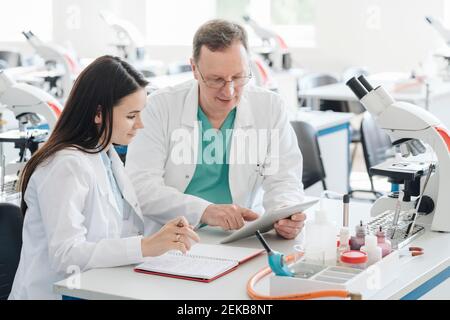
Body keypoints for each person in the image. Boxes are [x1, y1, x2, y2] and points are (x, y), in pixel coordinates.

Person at [9, 55, 199, 300]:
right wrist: (145, 246)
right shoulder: (64, 166)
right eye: (132, 116)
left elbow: (121, 230)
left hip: (100, 286)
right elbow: (66, 255)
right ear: (99, 113)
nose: (140, 124)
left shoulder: (106, 156)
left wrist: (162, 237)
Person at [126, 19, 306, 240]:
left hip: (239, 237)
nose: (229, 91)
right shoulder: (158, 107)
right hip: (172, 239)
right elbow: (141, 187)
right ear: (194, 69)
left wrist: (285, 212)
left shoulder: (270, 107)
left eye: (238, 77)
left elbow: (284, 178)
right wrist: (205, 211)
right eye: (216, 80)